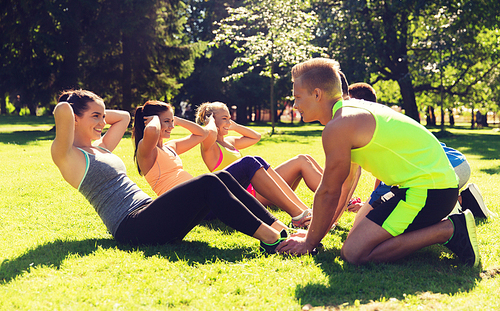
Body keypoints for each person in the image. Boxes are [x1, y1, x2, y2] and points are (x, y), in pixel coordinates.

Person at [276, 58, 480, 267]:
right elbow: (345, 185)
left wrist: (309, 242)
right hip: (422, 187)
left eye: (298, 97)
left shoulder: (339, 125)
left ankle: (449, 230)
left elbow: (329, 191)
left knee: (354, 253)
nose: (295, 105)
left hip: (429, 190)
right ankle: (435, 226)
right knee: (356, 237)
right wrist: (315, 234)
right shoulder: (350, 113)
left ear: (317, 94)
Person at [50, 89, 302, 254]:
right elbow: (62, 110)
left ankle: (280, 229)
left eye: (103, 116)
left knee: (222, 177)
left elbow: (124, 117)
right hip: (132, 227)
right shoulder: (68, 156)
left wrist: (97, 111)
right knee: (208, 183)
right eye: (95, 116)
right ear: (74, 118)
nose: (103, 123)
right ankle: (272, 241)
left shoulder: (101, 148)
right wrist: (74, 102)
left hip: (150, 213)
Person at [132, 100, 311, 228]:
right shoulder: (146, 151)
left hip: (202, 197)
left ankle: (302, 212)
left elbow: (200, 134)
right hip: (191, 207)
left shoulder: (170, 147)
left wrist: (175, 120)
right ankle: (299, 215)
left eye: (172, 122)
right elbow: (153, 131)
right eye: (166, 122)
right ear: (151, 121)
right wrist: (156, 120)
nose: (171, 126)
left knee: (256, 161)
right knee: (248, 162)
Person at [347, 82, 493, 220]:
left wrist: (368, 206)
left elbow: (374, 187)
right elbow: (381, 181)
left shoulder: (370, 130)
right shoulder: (387, 117)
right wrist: (372, 201)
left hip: (445, 171)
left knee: (394, 211)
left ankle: (457, 207)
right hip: (457, 162)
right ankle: (466, 200)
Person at [195, 102, 323, 208]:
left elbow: (256, 137)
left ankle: (338, 195)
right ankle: (334, 198)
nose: (228, 122)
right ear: (211, 120)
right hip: (249, 194)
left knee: (305, 158)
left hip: (258, 187)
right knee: (300, 162)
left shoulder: (229, 142)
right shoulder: (210, 146)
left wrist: (234, 125)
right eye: (224, 118)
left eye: (229, 117)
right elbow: (210, 133)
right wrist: (210, 122)